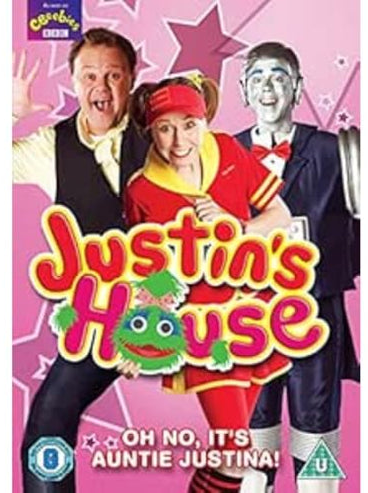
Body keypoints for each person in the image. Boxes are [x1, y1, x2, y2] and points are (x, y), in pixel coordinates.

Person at [124, 75, 293, 493]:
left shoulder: (228, 151)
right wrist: (135, 339)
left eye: (189, 125)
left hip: (253, 316)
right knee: (236, 458)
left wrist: (236, 225)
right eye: (165, 128)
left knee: (227, 453)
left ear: (205, 121)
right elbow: (151, 275)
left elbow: (281, 215)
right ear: (150, 131)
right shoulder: (142, 190)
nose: (179, 140)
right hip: (202, 330)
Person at [13, 28, 149, 492]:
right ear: (73, 82)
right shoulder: (50, 146)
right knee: (48, 427)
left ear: (131, 79)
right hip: (101, 317)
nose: (101, 86)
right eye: (89, 75)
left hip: (176, 303)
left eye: (113, 75)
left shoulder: (164, 136)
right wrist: (8, 116)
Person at [235, 42, 360, 493]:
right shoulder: (218, 156)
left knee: (317, 436)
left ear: (298, 87)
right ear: (243, 90)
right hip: (244, 321)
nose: (268, 87)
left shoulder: (336, 151)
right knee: (253, 442)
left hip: (315, 320)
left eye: (279, 76)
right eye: (257, 77)